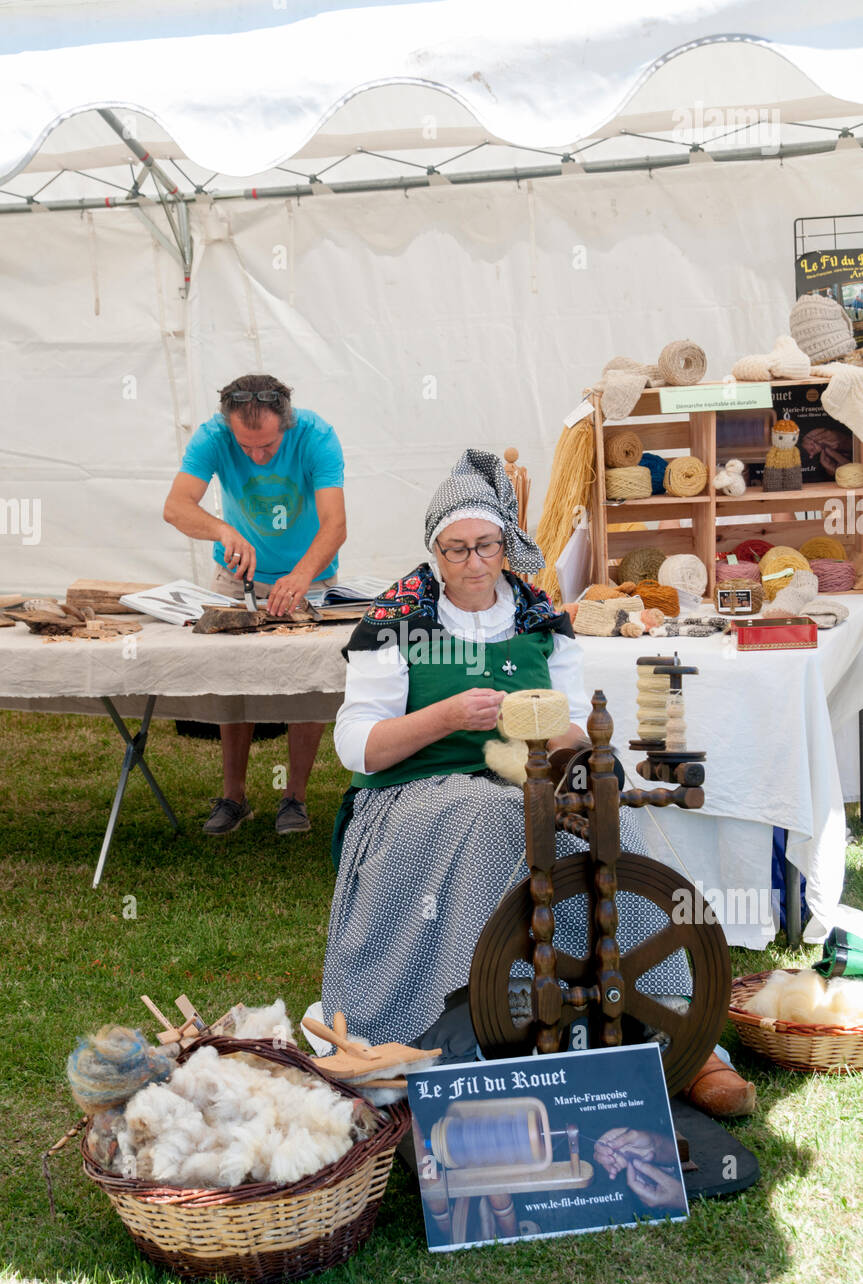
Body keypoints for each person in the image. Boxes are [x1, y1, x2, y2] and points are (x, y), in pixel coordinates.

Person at [319, 449, 755, 1117]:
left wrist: (562, 736)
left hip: (530, 777)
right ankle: (472, 1037)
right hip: (418, 792)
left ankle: (673, 1033)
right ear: (435, 550)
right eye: (456, 549)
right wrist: (444, 716)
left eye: (485, 546)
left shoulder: (538, 615)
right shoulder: (396, 620)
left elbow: (576, 724)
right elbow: (358, 745)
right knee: (500, 819)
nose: (473, 563)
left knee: (611, 811)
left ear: (503, 545)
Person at [163, 374, 346, 836]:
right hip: (236, 576)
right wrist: (223, 531)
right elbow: (177, 507)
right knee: (232, 678)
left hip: (310, 573)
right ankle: (234, 795)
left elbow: (335, 524)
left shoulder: (317, 435)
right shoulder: (211, 435)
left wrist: (302, 575)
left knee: (307, 680)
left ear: (287, 423)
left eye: (266, 445)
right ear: (228, 427)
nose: (257, 456)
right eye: (246, 446)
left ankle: (296, 798)